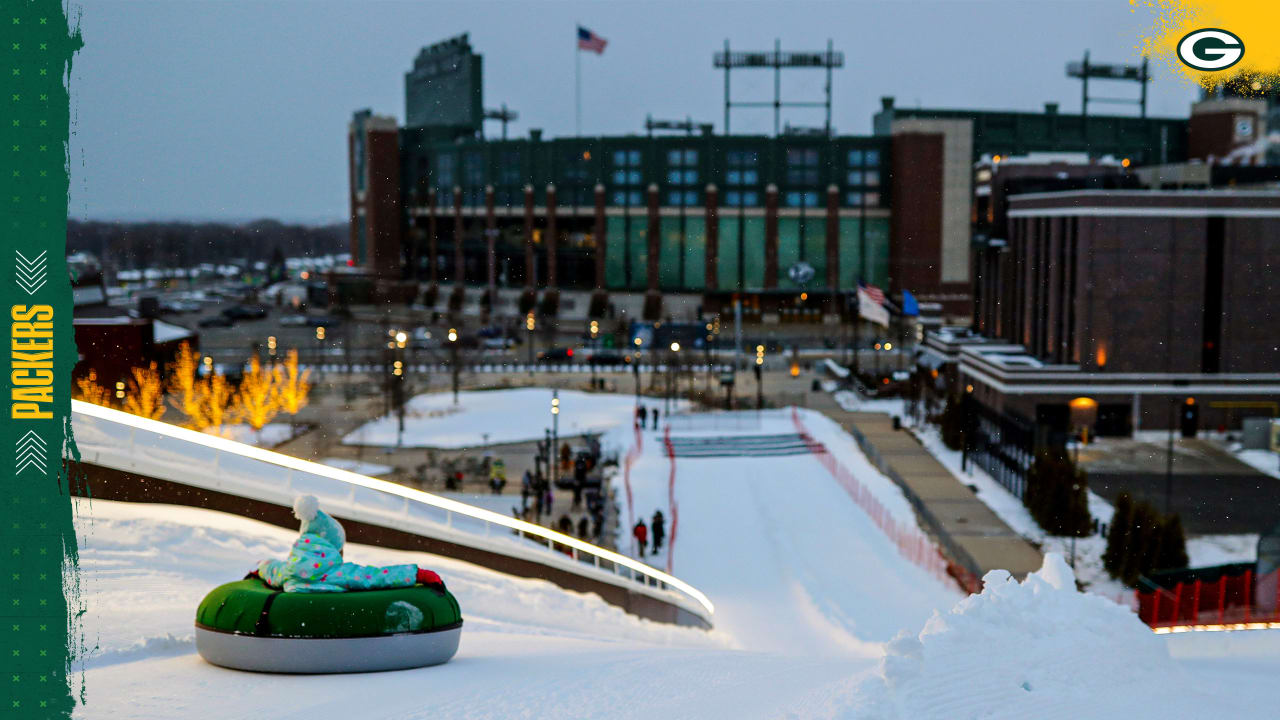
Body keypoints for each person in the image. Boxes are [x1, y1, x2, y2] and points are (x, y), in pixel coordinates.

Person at [252, 495, 445, 593]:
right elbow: (377, 577)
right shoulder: (338, 573)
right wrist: (417, 574)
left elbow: (269, 568)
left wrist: (258, 568)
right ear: (333, 548)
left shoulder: (287, 571)